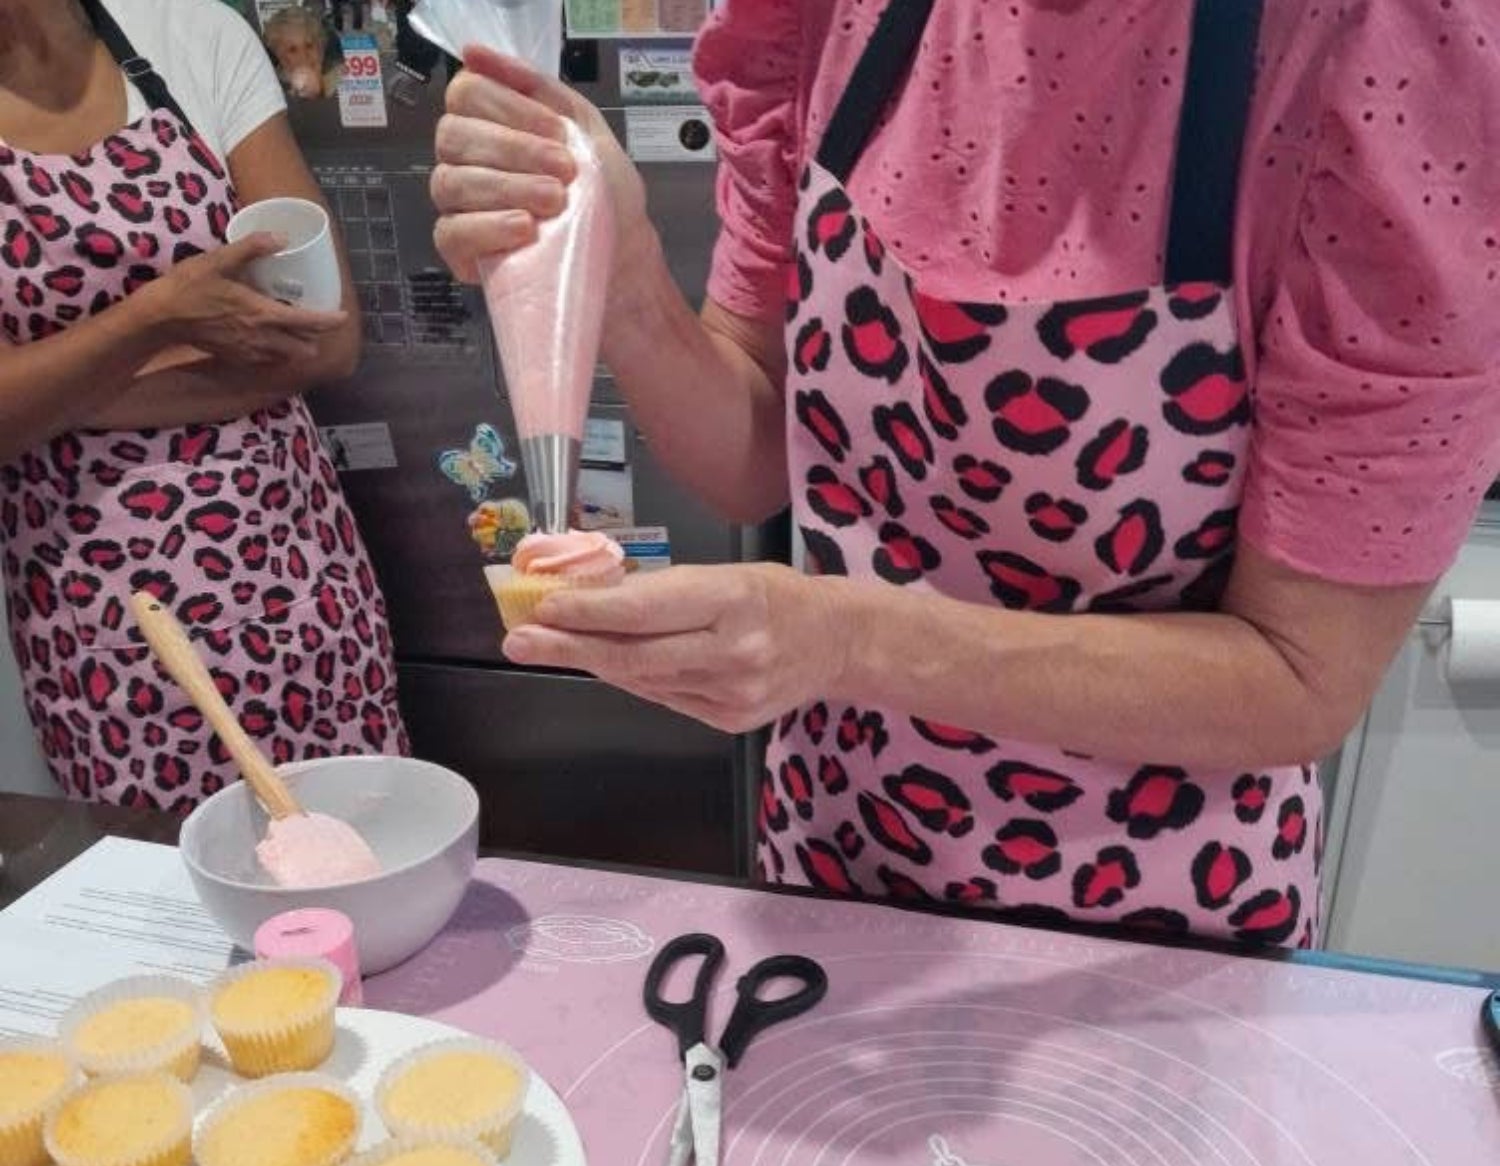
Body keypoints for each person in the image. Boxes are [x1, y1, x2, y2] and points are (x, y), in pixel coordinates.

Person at [431, 0, 1500, 945]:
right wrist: (621, 279)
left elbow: (1300, 675)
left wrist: (847, 639)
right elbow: (759, 453)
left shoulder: (1379, 54)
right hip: (839, 862)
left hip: (1159, 930)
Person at [0, 0, 408, 811]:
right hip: (102, 629)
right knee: (166, 907)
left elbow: (325, 336)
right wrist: (160, 316)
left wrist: (52, 390)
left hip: (297, 581)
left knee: (355, 859)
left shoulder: (189, 35)